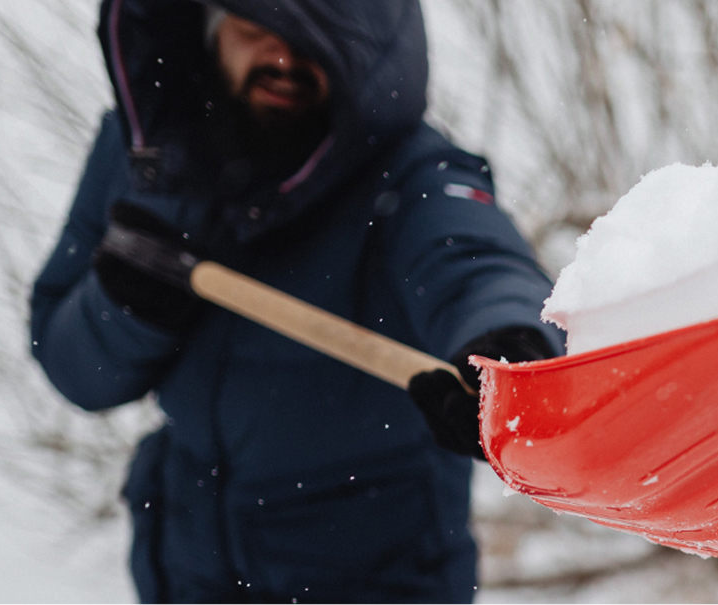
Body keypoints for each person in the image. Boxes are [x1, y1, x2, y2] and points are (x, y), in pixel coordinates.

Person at [27, 0, 556, 601]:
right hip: (188, 567)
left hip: (374, 572)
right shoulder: (148, 153)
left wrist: (510, 347)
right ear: (210, 27)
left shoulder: (411, 173)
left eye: (310, 37)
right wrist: (125, 306)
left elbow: (479, 265)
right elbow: (71, 368)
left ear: (360, 44)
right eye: (256, 28)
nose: (281, 58)